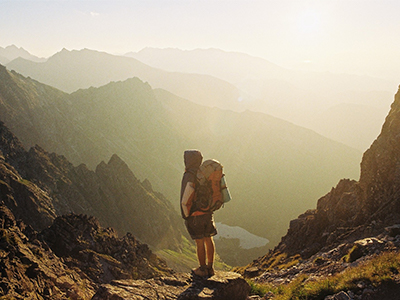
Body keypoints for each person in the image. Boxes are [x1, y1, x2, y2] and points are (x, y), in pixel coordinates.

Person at [180, 150, 217, 277]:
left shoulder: (189, 175)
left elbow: (186, 198)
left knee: (200, 242)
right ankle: (210, 268)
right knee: (209, 239)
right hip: (208, 212)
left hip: (195, 215)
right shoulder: (204, 173)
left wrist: (186, 215)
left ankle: (202, 269)